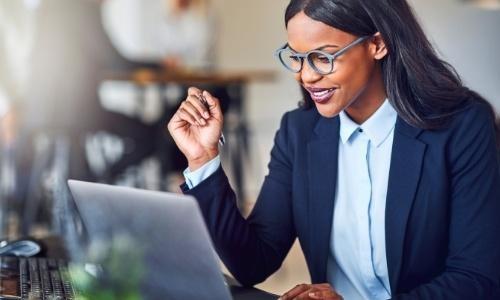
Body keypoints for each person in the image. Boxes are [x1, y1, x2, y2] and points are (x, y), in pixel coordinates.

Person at [167, 0, 500, 299]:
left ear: (378, 44)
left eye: (323, 58)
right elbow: (253, 263)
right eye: (296, 58)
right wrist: (202, 158)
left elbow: (476, 278)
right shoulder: (299, 132)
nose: (306, 76)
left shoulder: (462, 126)